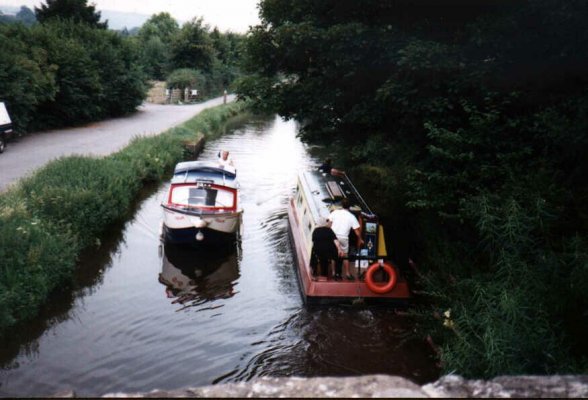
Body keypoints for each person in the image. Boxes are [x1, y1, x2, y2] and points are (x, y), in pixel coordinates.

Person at [329, 198, 364, 280]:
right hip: (344, 237)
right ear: (350, 207)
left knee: (334, 255)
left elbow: (329, 223)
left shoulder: (335, 212)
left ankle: (334, 273)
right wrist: (360, 239)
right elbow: (356, 231)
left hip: (333, 236)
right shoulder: (351, 217)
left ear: (341, 205)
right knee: (345, 255)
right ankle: (348, 274)